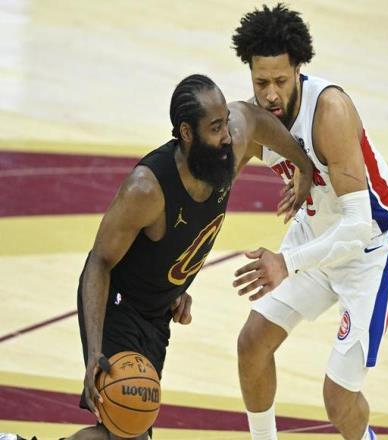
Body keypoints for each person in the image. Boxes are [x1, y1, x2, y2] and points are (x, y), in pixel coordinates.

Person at [68, 73, 313, 440]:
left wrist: (302, 164)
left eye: (225, 123)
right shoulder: (146, 189)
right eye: (215, 128)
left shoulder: (227, 150)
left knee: (130, 433)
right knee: (127, 432)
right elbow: (98, 263)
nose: (227, 135)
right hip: (118, 307)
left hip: (157, 313)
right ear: (186, 132)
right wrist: (94, 353)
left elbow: (255, 118)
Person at [232, 4, 388, 440]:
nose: (270, 95)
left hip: (372, 244)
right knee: (252, 344)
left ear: (298, 69)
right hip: (317, 234)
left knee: (338, 398)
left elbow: (356, 226)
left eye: (280, 81)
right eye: (261, 83)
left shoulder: (330, 110)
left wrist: (286, 262)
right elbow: (209, 199)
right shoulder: (250, 122)